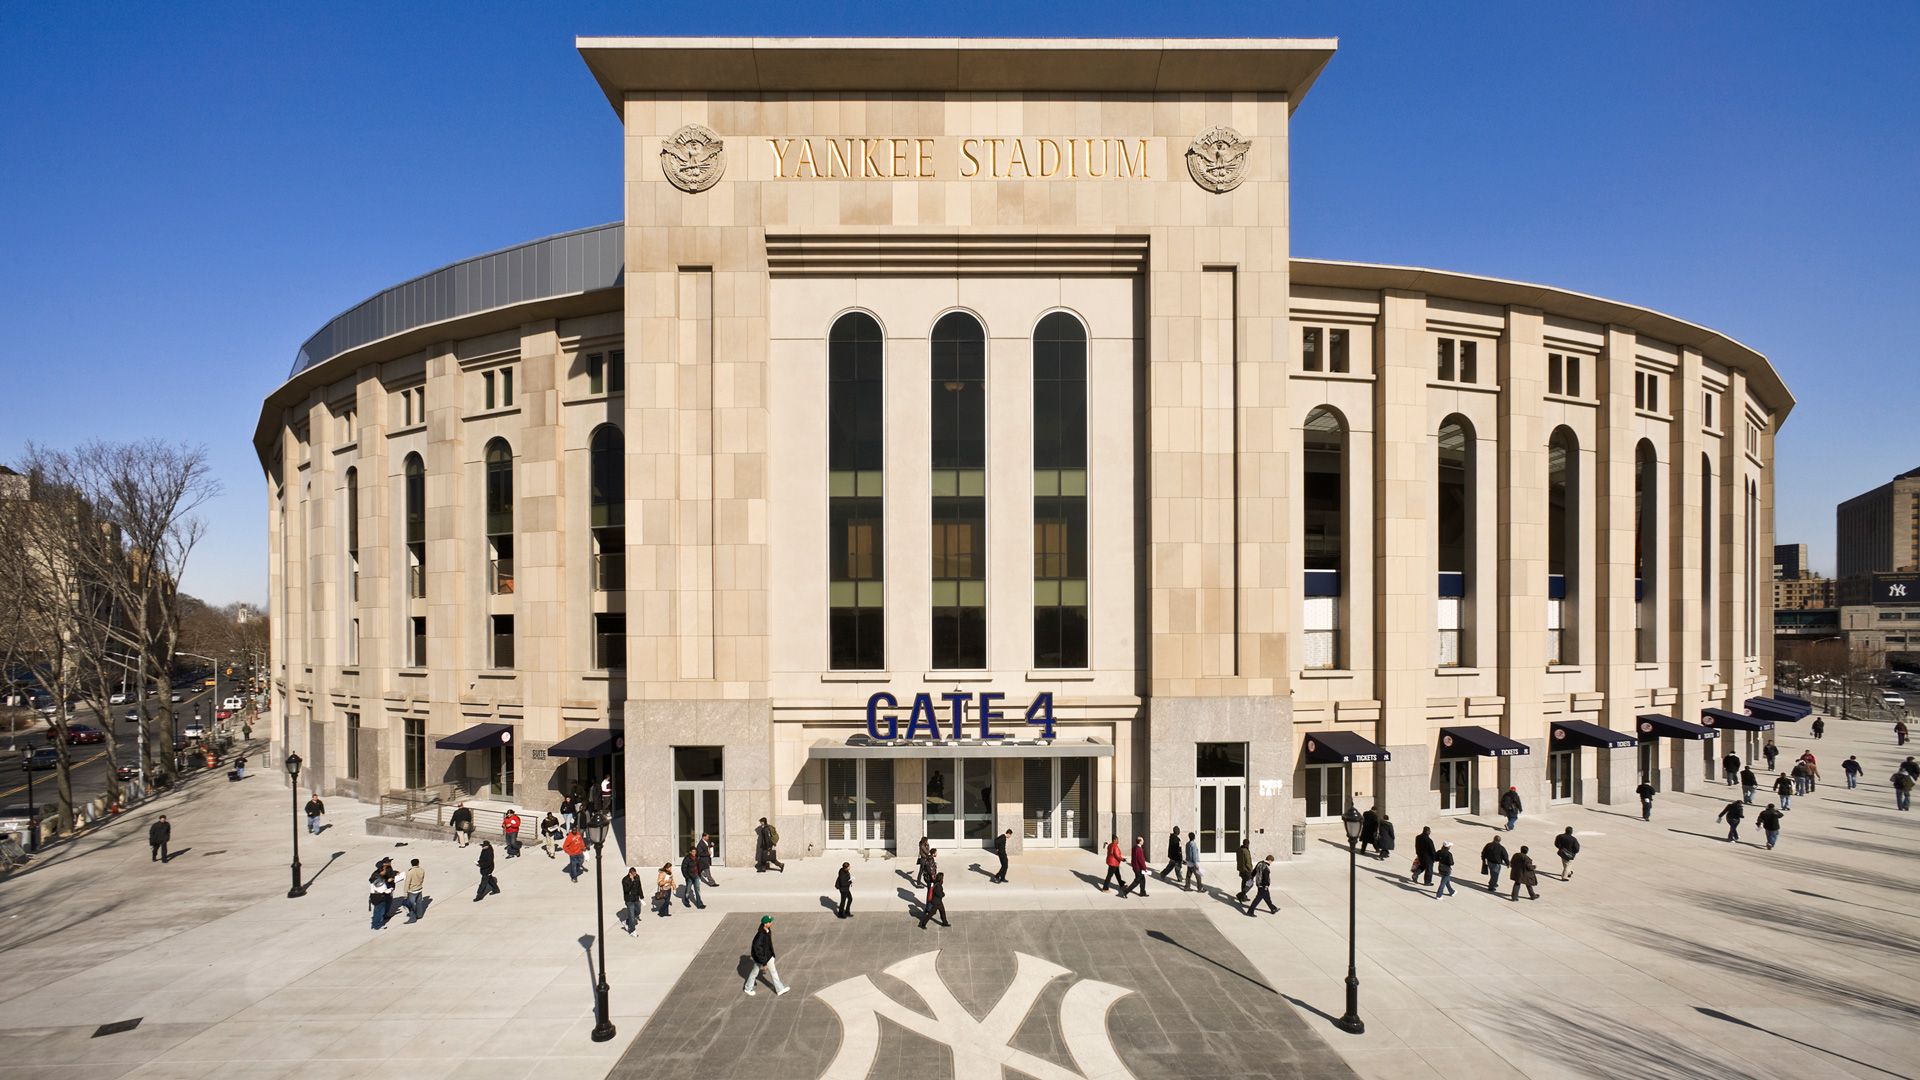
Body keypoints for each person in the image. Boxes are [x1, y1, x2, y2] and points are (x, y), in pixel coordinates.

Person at [744, 916, 791, 996]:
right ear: (765, 924)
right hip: (761, 958)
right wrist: (764, 963)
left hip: (767, 956)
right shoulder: (760, 935)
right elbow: (758, 950)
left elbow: (767, 945)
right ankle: (748, 988)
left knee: (771, 972)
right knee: (755, 973)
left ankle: (780, 989)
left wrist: (772, 955)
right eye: (770, 922)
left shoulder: (767, 930)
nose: (771, 923)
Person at [369, 865, 394, 930]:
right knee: (379, 912)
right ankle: (377, 925)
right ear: (381, 871)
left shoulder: (375, 877)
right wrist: (390, 889)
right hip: (379, 897)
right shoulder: (379, 880)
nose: (385, 871)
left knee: (377, 911)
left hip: (374, 897)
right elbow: (383, 890)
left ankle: (374, 924)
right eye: (384, 870)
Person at [620, 867, 644, 933]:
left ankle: (626, 921)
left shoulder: (637, 877)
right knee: (632, 916)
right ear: (630, 874)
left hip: (636, 898)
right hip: (629, 900)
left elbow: (639, 886)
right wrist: (632, 881)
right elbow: (626, 890)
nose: (635, 875)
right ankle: (632, 930)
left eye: (635, 873)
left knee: (638, 911)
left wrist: (641, 895)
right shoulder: (625, 880)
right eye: (634, 874)